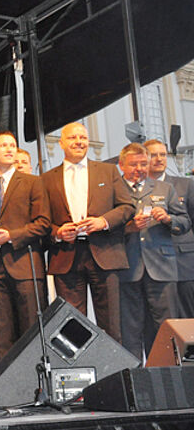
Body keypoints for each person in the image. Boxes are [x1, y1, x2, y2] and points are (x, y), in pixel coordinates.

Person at [41, 122, 134, 342]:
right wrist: (58, 232)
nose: (79, 142)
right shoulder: (46, 178)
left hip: (105, 254)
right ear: (61, 143)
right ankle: (80, 364)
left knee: (111, 323)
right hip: (66, 256)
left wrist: (103, 221)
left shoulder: (108, 171)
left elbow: (127, 207)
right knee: (72, 325)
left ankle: (111, 364)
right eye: (72, 138)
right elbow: (41, 221)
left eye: (83, 137)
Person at [0, 131, 51, 359]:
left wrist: (11, 236)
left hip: (25, 266)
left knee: (31, 332)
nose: (9, 149)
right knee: (1, 335)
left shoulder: (32, 182)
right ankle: (10, 380)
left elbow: (43, 223)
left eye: (12, 145)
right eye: (4, 145)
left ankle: (35, 379)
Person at [117, 143, 189, 359]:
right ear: (121, 165)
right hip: (127, 268)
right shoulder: (113, 188)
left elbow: (185, 222)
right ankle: (134, 373)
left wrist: (168, 219)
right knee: (130, 329)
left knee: (166, 328)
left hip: (162, 267)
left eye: (143, 164)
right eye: (134, 164)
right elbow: (106, 227)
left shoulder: (164, 188)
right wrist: (129, 227)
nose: (139, 169)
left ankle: (168, 372)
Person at [146, 139, 194, 317]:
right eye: (153, 155)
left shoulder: (185, 185)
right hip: (154, 265)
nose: (159, 159)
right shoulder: (138, 187)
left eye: (163, 155)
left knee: (188, 317)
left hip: (183, 262)